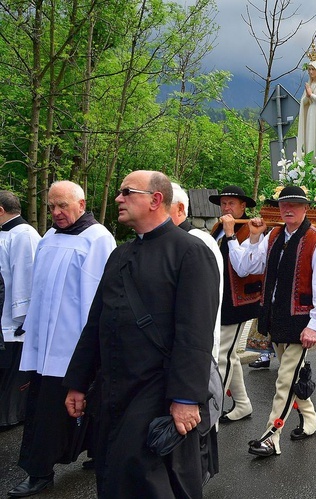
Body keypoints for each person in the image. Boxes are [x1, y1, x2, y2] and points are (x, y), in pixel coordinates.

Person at [64, 171, 220, 498]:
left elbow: (195, 333)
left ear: (155, 199)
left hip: (159, 391)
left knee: (152, 481)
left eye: (126, 192)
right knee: (112, 475)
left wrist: (186, 398)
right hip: (113, 389)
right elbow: (97, 324)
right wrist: (78, 382)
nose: (118, 198)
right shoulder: (119, 255)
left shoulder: (190, 252)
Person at [8, 181, 115, 498]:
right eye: (51, 206)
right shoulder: (49, 237)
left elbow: (96, 299)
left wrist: (91, 350)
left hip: (73, 346)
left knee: (70, 407)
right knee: (47, 408)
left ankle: (54, 467)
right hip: (45, 345)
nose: (55, 213)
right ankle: (46, 468)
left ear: (81, 205)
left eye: (62, 206)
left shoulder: (98, 239)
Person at [242, 185, 316, 457]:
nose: (289, 209)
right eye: (284, 205)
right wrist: (255, 238)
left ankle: (272, 436)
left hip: (300, 322)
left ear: (306, 208)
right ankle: (310, 419)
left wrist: (313, 324)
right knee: (291, 376)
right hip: (276, 318)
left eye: (295, 205)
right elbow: (248, 267)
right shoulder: (273, 236)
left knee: (283, 380)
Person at [169, 183, 222, 482]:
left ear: (180, 210)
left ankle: (198, 469)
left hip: (197, 341)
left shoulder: (198, 241)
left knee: (198, 411)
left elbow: (204, 299)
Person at [210, 185, 260, 423]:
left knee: (222, 354)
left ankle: (211, 409)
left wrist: (231, 233)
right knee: (229, 354)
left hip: (240, 299)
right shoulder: (217, 227)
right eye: (223, 203)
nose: (226, 208)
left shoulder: (252, 228)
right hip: (220, 296)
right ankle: (242, 404)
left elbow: (245, 266)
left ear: (243, 207)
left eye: (231, 203)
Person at [0, 191, 41, 429]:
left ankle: (11, 415)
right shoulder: (7, 234)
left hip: (14, 324)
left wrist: (22, 319)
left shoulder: (24, 235)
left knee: (12, 376)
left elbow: (26, 277)